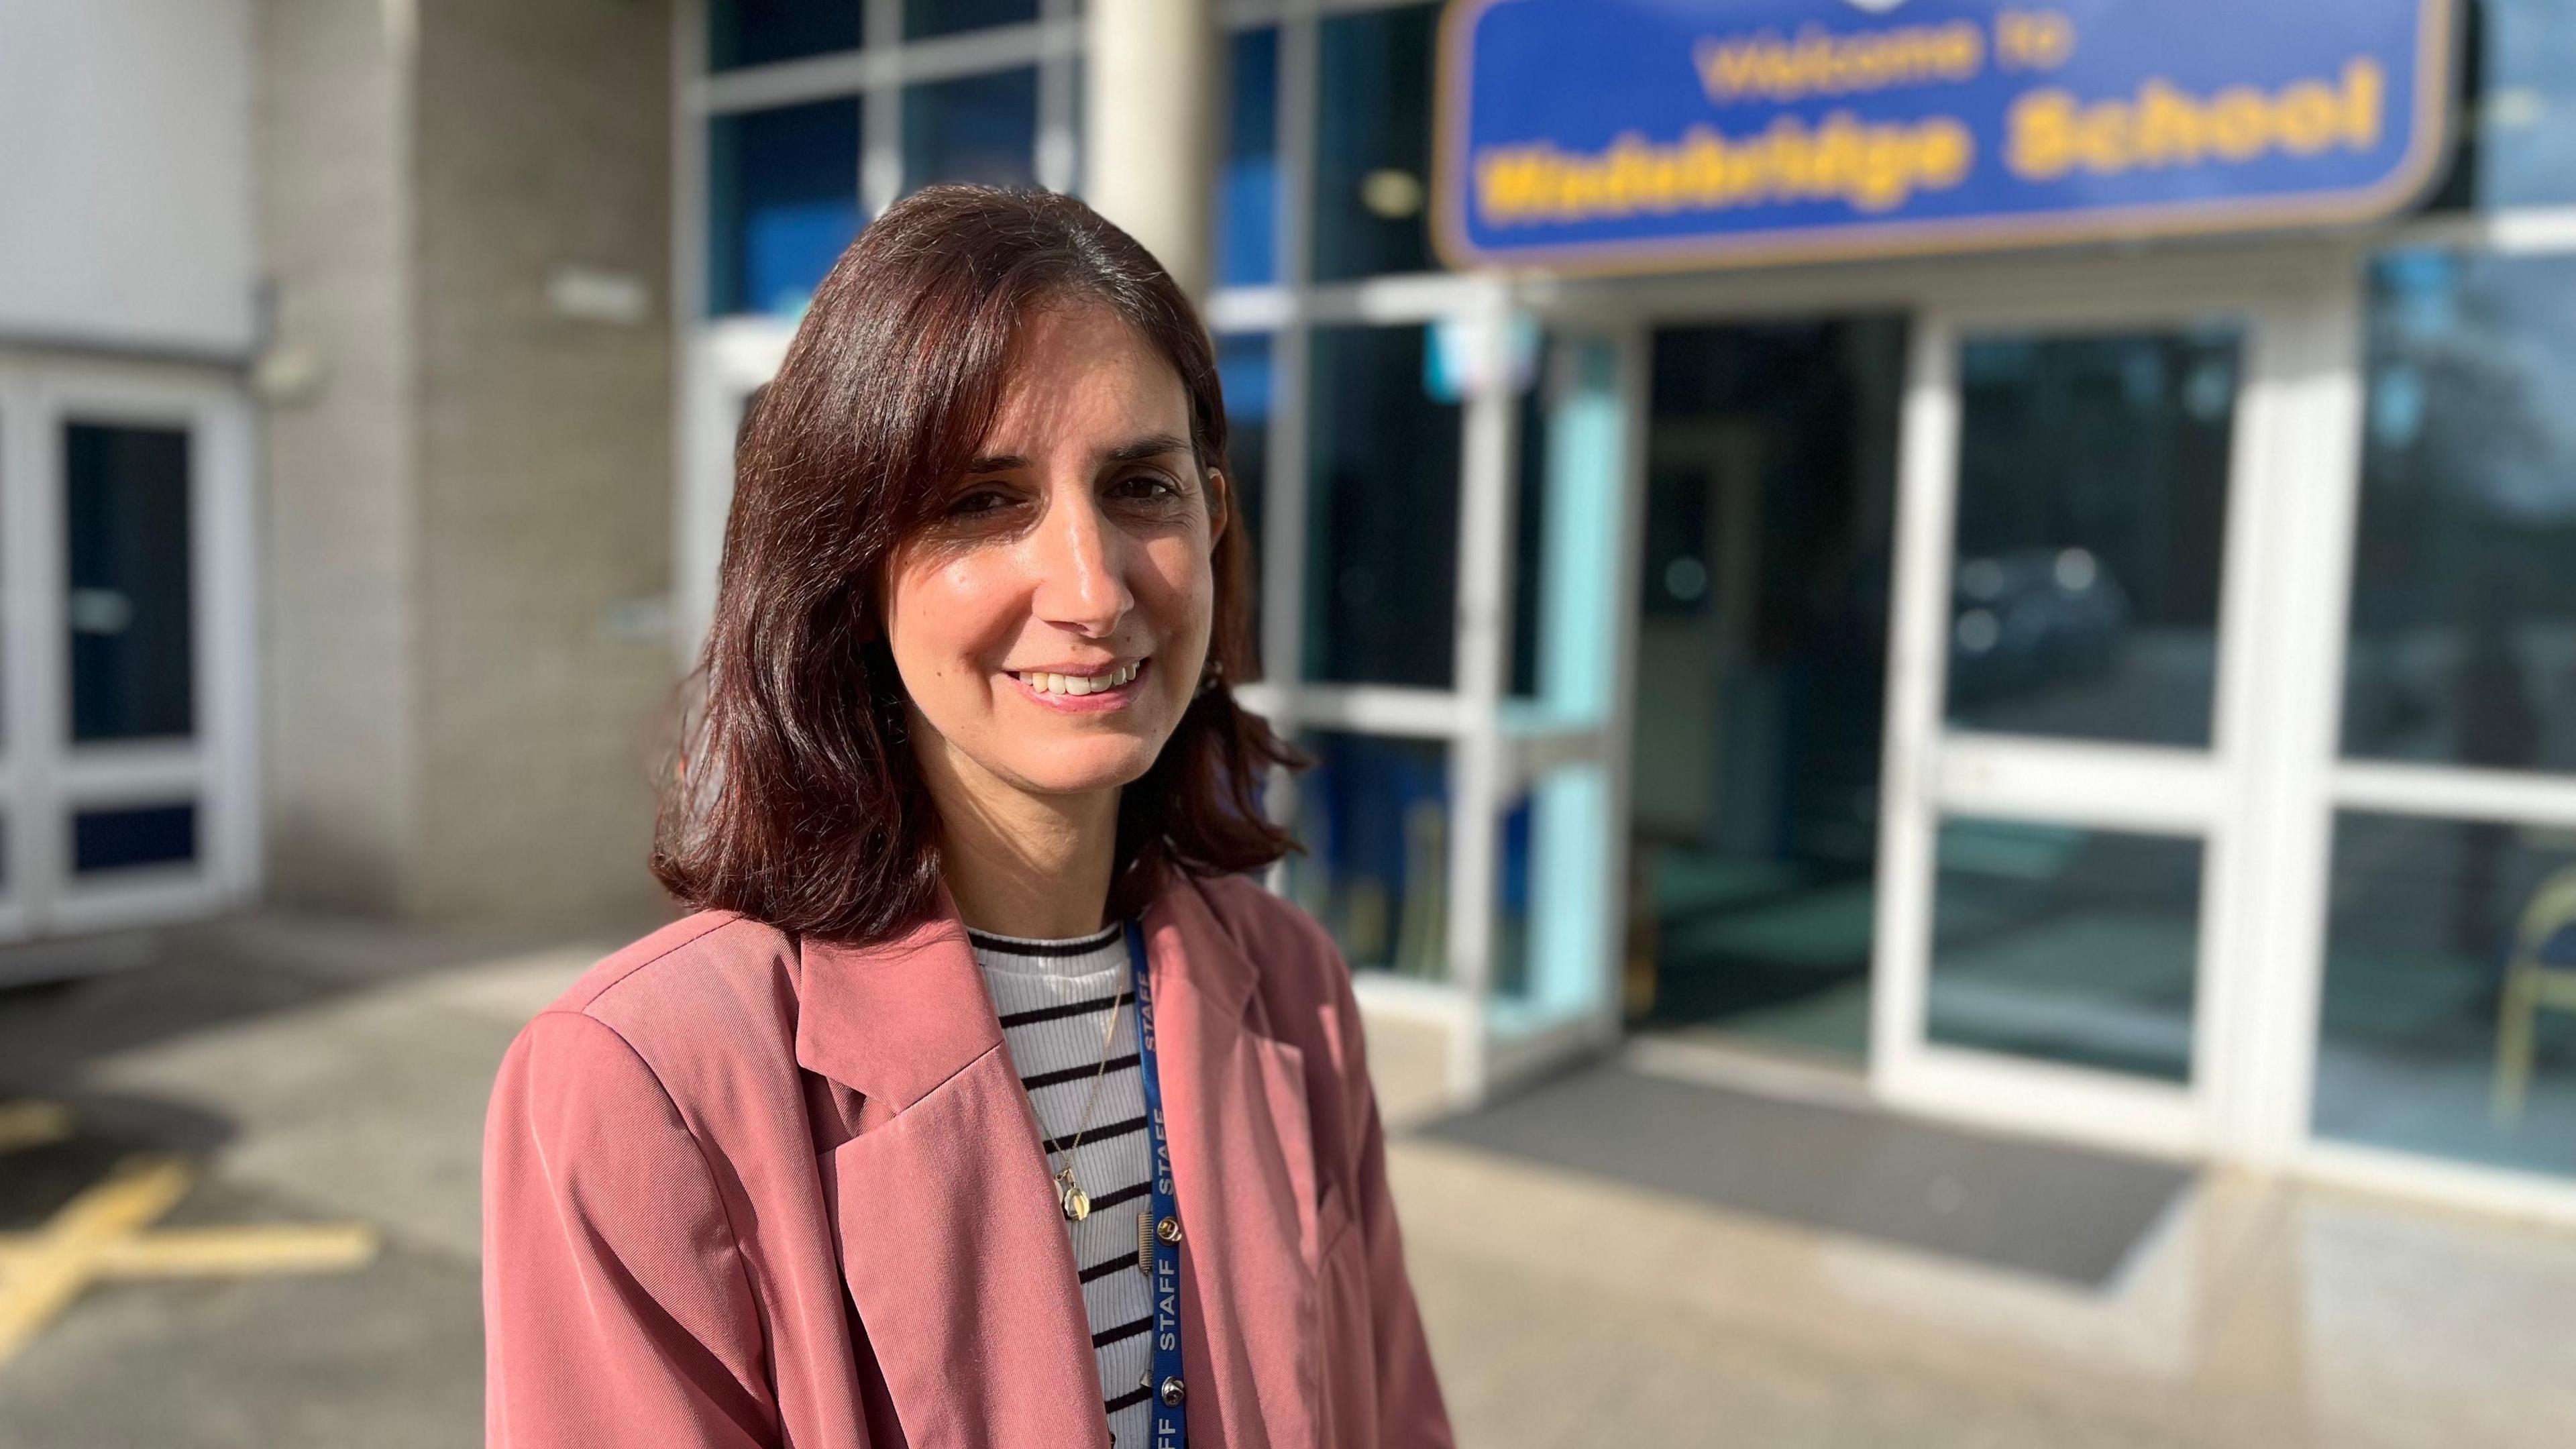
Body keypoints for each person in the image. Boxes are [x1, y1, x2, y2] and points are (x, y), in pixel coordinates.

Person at [480, 184, 1454, 1449]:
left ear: (1213, 522)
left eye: (1140, 488)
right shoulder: (647, 1085)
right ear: (846, 564)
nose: (1093, 590)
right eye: (983, 503)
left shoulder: (1294, 991)